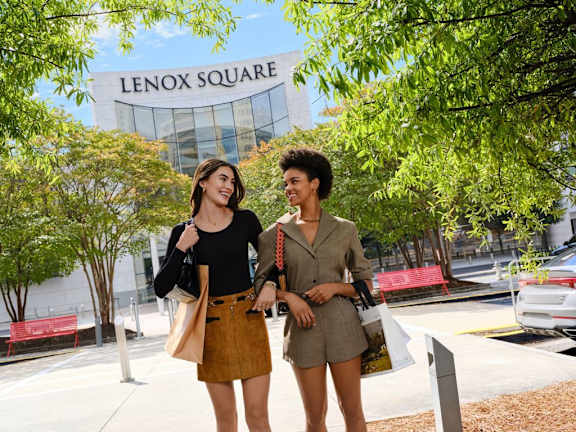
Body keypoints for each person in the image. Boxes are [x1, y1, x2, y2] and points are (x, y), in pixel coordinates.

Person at [253, 148, 374, 432]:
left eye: (294, 181)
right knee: (315, 416)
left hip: (344, 328)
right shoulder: (276, 233)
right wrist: (289, 297)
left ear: (314, 183)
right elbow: (260, 285)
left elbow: (366, 284)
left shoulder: (345, 229)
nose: (288, 188)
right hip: (302, 331)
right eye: (286, 183)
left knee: (352, 410)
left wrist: (335, 287)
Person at [154, 158, 275, 432]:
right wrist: (181, 247)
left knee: (257, 417)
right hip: (211, 327)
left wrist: (269, 285)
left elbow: (270, 260)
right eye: (222, 179)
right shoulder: (183, 231)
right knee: (226, 420)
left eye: (232, 181)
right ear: (203, 182)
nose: (229, 186)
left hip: (249, 320)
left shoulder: (246, 220)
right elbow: (161, 287)